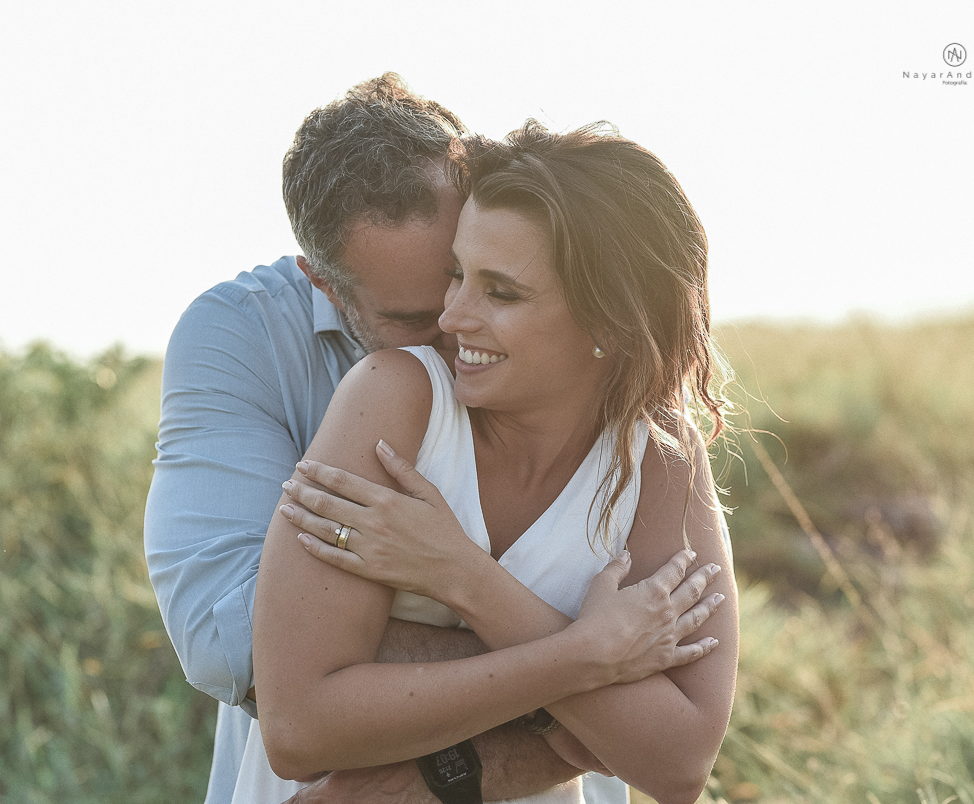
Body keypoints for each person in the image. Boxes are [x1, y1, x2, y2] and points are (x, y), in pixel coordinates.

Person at [144, 75, 718, 804]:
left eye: (489, 281)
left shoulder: (656, 446)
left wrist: (463, 588)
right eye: (425, 308)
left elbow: (679, 759)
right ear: (325, 285)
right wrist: (594, 665)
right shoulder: (337, 371)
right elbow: (237, 643)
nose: (454, 323)